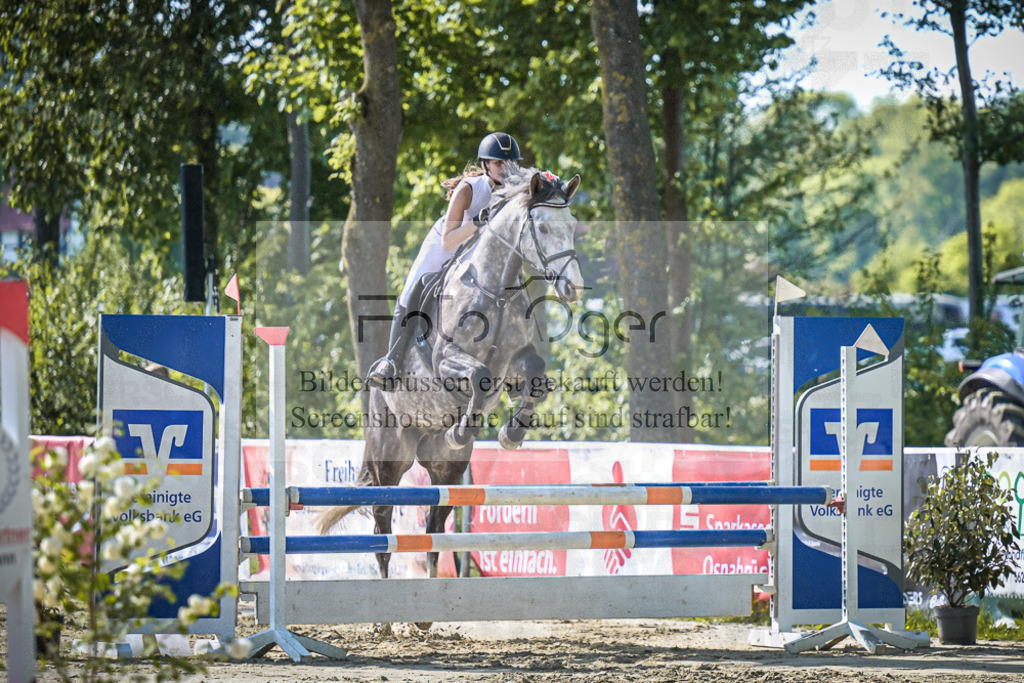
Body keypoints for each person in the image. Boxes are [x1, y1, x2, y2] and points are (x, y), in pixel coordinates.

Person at [366, 132, 523, 390]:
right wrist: (477, 223)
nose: (506, 169)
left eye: (510, 163)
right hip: (447, 245)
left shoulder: (512, 187)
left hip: (477, 252)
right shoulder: (468, 189)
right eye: (499, 164)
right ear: (485, 164)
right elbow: (448, 241)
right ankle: (391, 361)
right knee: (411, 291)